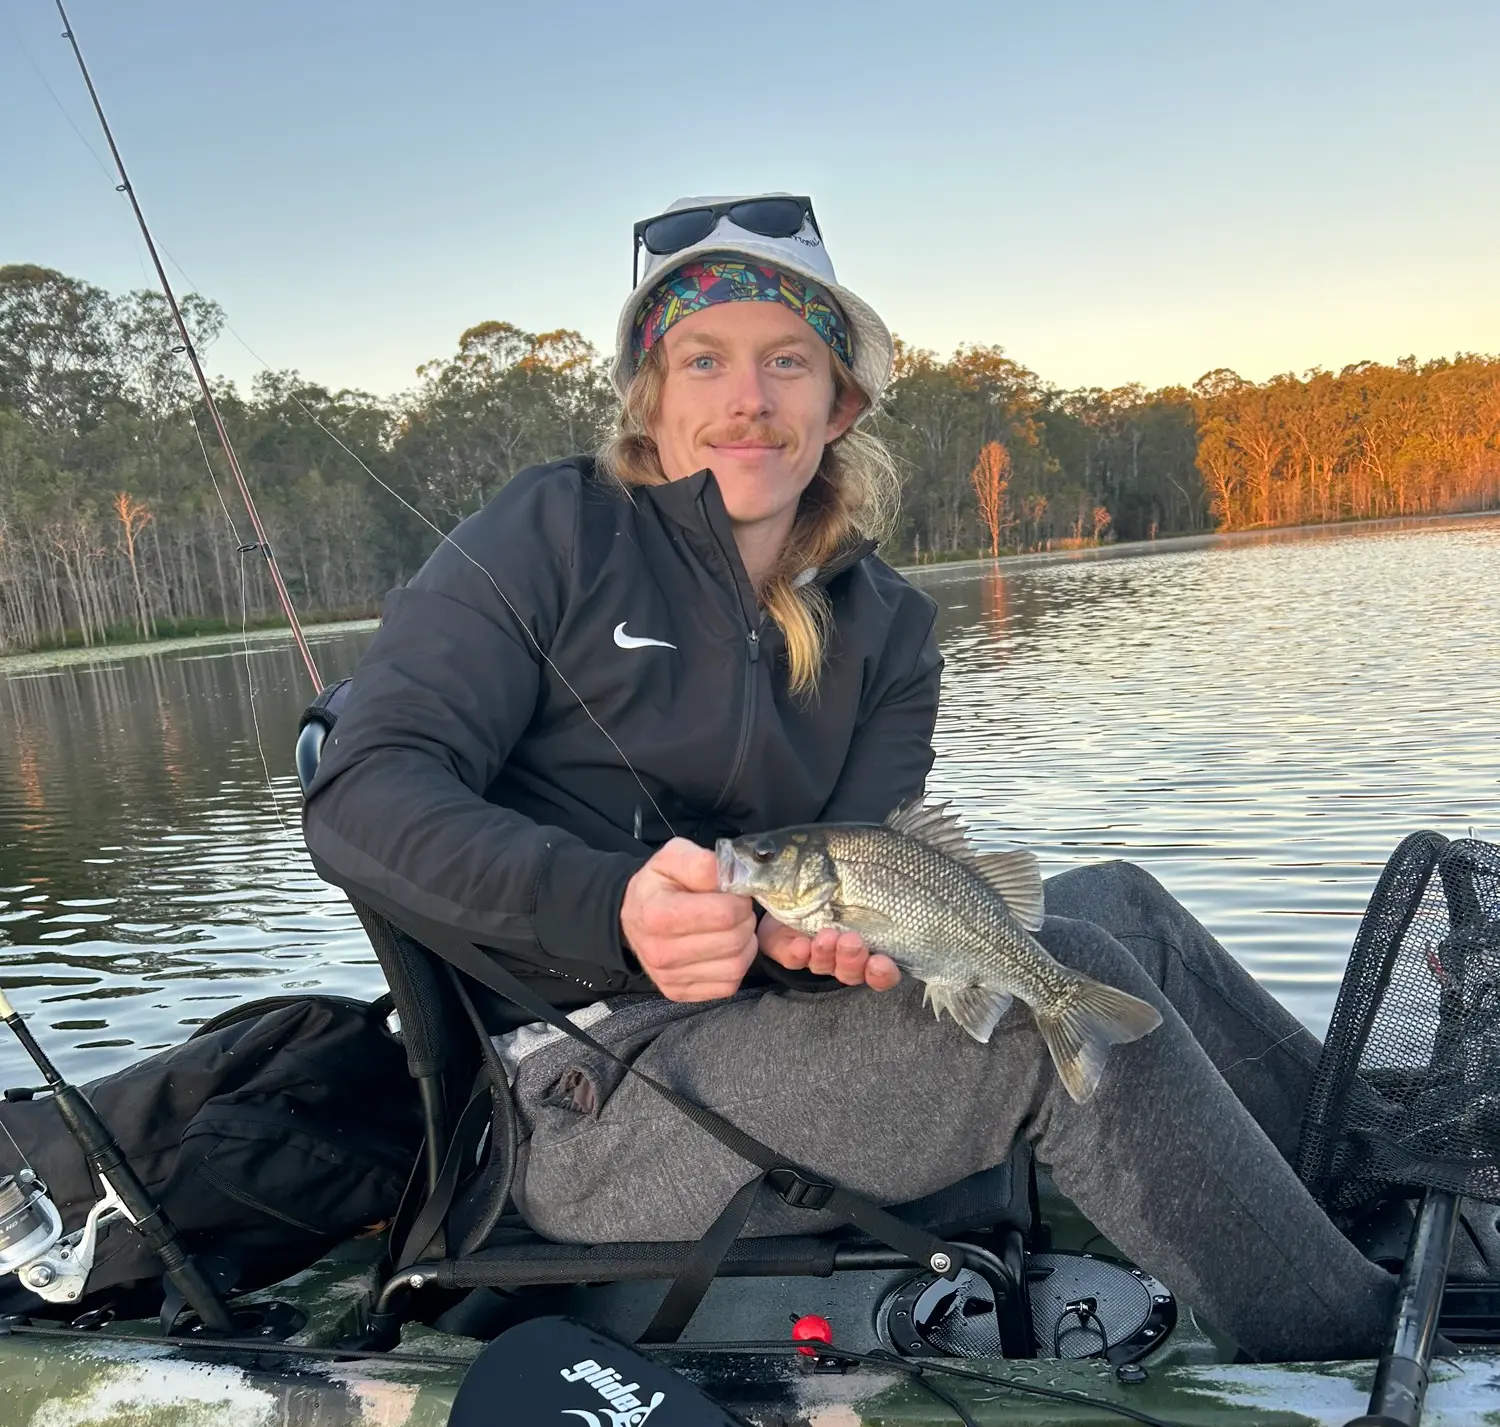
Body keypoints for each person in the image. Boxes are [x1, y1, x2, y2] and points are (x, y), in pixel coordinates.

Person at [302, 193, 1396, 1362]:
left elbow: (864, 880)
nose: (747, 399)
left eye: (787, 361)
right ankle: (1356, 1348)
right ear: (651, 396)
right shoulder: (550, 536)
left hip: (766, 1025)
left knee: (1120, 907)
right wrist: (612, 906)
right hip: (585, 1103)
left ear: (841, 402)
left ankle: (1397, 1210)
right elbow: (362, 794)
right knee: (1045, 1011)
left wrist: (807, 945)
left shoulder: (888, 628)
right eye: (703, 359)